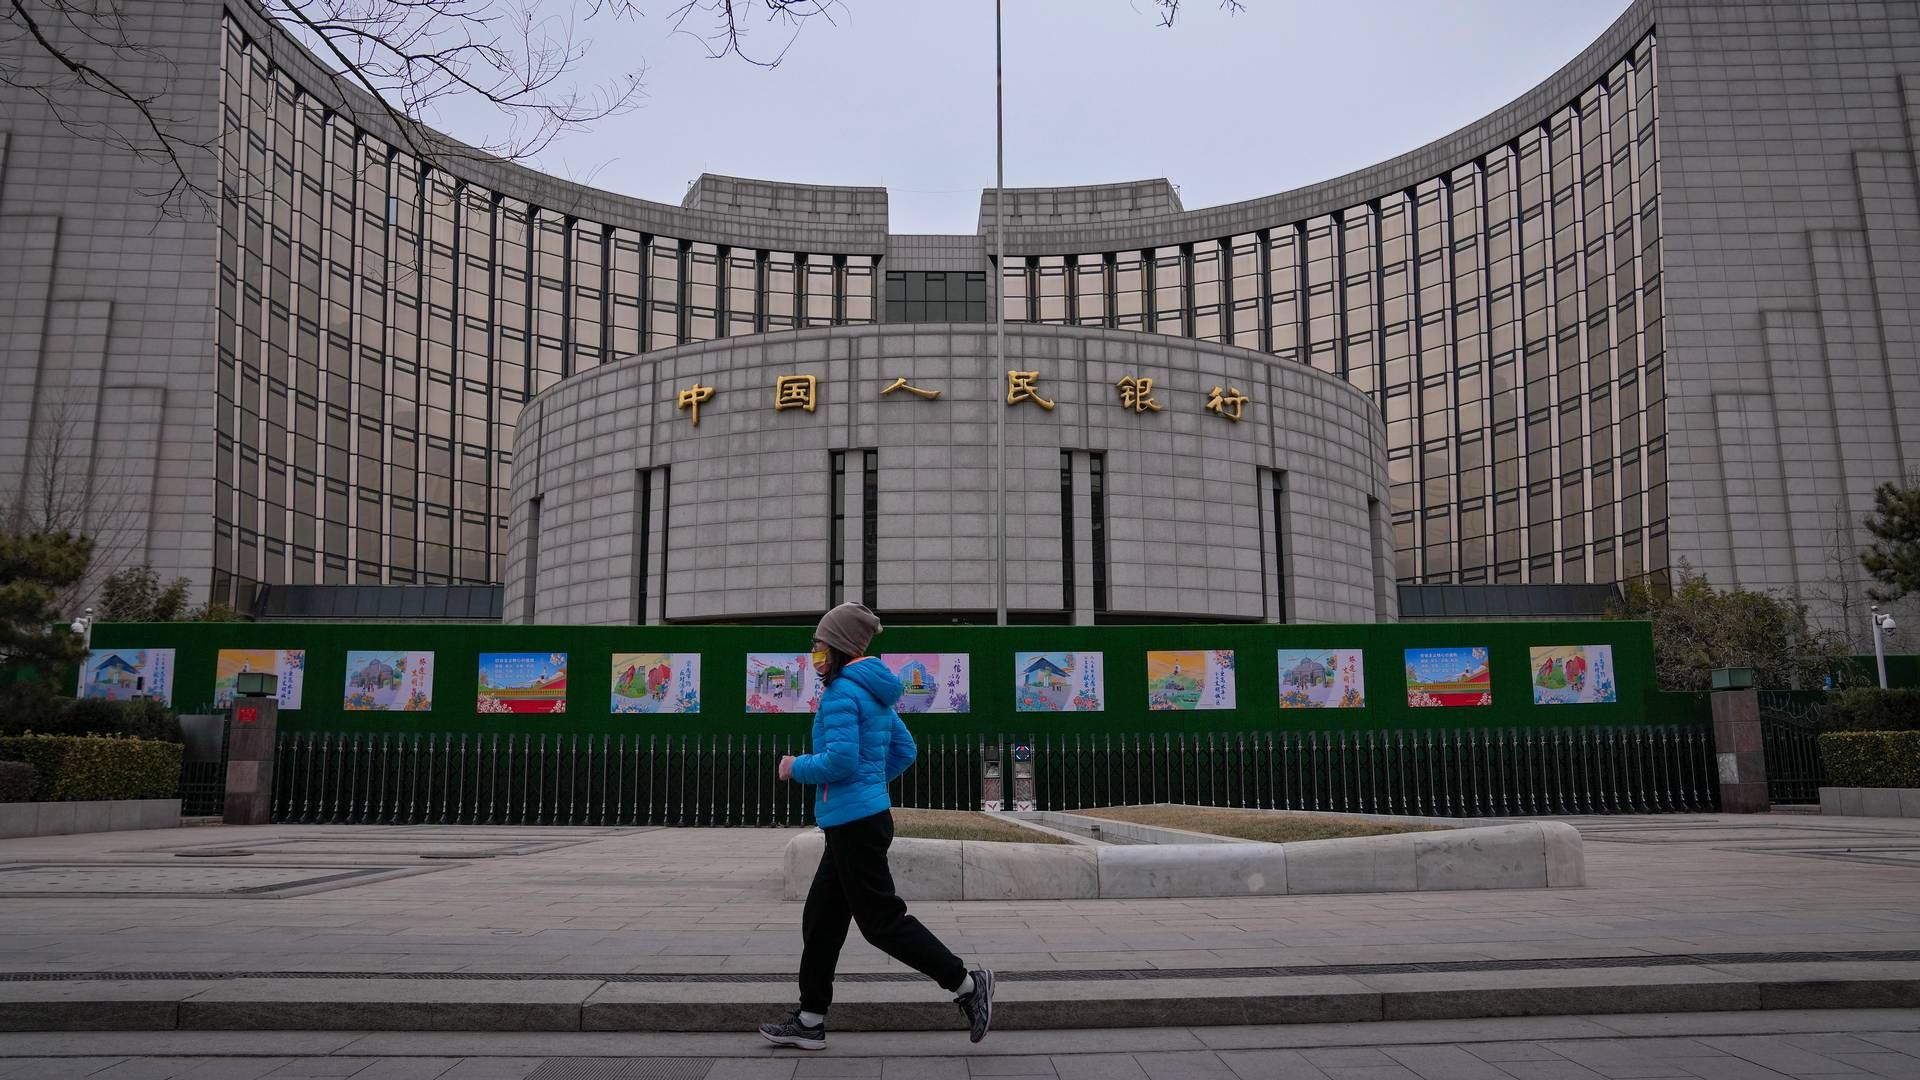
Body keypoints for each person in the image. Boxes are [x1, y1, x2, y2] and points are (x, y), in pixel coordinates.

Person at [758, 602, 995, 1051]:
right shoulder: (874, 693)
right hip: (860, 819)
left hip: (854, 823)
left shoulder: (842, 693)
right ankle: (810, 1021)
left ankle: (967, 985)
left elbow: (841, 761)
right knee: (822, 918)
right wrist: (868, 787)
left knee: (881, 921)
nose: (815, 652)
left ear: (840, 649)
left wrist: (795, 766)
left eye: (820, 644)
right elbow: (904, 751)